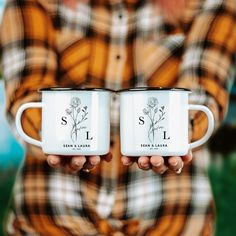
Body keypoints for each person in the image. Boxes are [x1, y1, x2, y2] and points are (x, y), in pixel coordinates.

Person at [1, 0, 236, 235]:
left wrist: (179, 135)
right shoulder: (34, 3)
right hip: (48, 216)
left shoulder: (211, 3)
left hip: (174, 217)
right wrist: (52, 138)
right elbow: (26, 93)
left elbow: (205, 89)